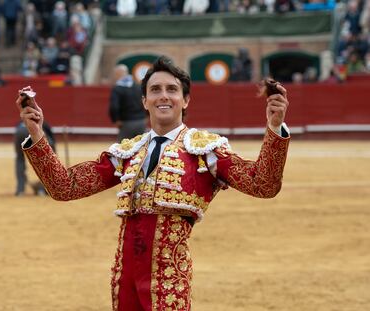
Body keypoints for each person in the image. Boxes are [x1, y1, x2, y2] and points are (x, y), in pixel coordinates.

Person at [16, 56, 290, 310]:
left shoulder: (205, 150)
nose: (164, 96)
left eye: (172, 89)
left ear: (186, 100)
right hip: (125, 279)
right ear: (144, 100)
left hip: (169, 279)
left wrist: (274, 127)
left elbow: (262, 184)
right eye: (155, 89)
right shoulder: (128, 152)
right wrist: (37, 133)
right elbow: (65, 186)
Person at [14, 120, 56, 196]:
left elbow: (17, 130)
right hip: (35, 132)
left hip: (19, 132)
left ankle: (20, 190)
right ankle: (42, 189)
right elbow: (52, 142)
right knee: (45, 161)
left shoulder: (22, 121)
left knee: (20, 159)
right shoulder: (43, 123)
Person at [109, 64, 147, 141]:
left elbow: (114, 107)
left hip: (127, 123)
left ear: (117, 74)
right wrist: (147, 116)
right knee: (142, 147)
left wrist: (116, 119)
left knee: (121, 149)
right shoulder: (137, 86)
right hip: (141, 122)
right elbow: (146, 101)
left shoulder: (117, 88)